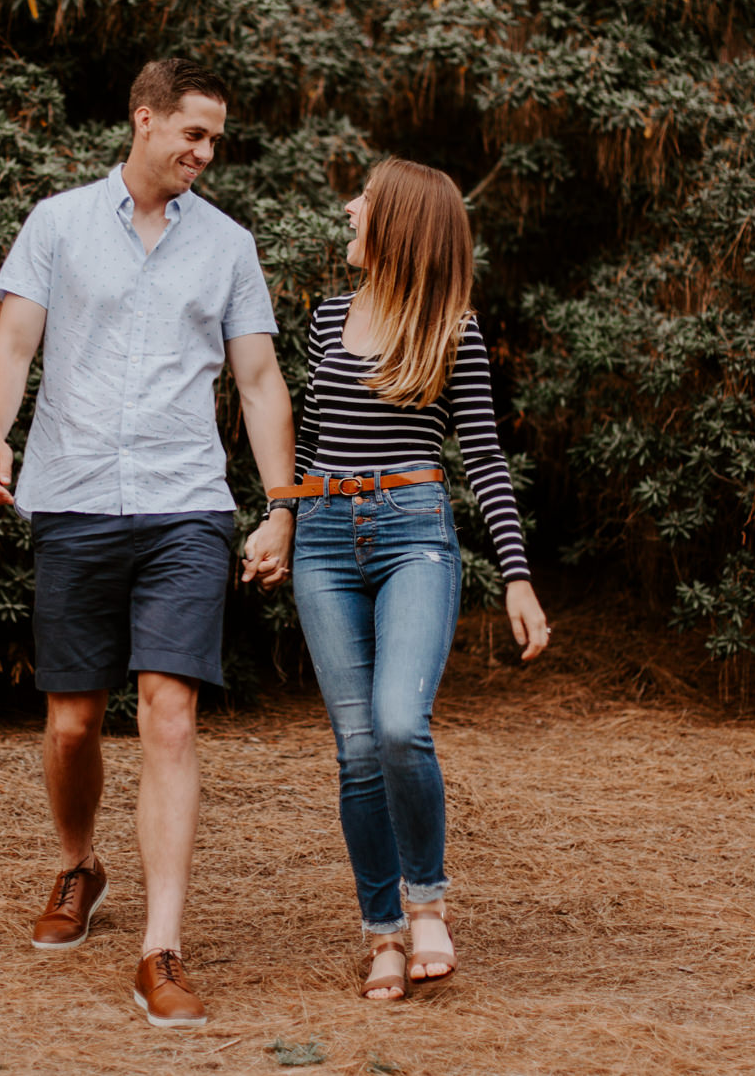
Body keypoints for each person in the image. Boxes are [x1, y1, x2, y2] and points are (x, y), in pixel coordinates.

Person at [0, 57, 297, 1029]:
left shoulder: (228, 246)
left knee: (168, 716)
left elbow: (259, 381)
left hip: (184, 508)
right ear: (143, 119)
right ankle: (79, 866)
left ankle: (161, 945)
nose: (203, 153)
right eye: (191, 134)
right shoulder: (58, 223)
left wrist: (280, 503)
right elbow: (12, 345)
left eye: (214, 141)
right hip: (71, 499)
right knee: (71, 722)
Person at [274, 156, 550, 1001]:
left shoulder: (451, 329)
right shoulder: (325, 321)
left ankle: (427, 902)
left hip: (414, 537)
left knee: (399, 724)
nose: (349, 208)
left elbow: (485, 460)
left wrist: (517, 574)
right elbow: (312, 441)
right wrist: (279, 516)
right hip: (322, 537)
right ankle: (381, 932)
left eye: (364, 199)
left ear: (398, 223)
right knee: (357, 750)